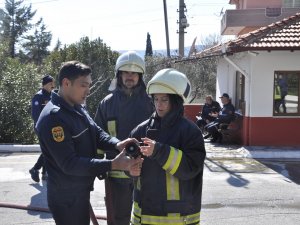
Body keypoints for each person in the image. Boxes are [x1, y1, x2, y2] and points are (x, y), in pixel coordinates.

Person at [35, 61, 143, 225]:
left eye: (89, 85)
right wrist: (112, 164)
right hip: (66, 198)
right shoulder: (54, 118)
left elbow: (96, 132)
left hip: (79, 191)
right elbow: (69, 164)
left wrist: (117, 144)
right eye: (84, 85)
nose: (88, 90)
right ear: (66, 83)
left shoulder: (76, 105)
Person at [129, 68, 206, 225]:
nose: (159, 105)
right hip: (143, 217)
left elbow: (191, 168)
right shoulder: (140, 130)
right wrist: (130, 169)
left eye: (164, 99)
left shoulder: (190, 132)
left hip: (178, 219)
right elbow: (129, 165)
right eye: (156, 99)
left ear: (176, 101)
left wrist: (159, 151)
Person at [94, 51, 154, 225]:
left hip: (146, 171)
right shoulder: (107, 103)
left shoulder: (150, 102)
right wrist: (97, 164)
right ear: (119, 75)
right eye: (126, 72)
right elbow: (98, 135)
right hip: (116, 173)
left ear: (140, 76)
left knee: (147, 216)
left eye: (134, 73)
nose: (130, 76)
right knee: (118, 219)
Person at [29, 74, 55, 182]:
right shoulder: (38, 96)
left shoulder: (52, 95)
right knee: (48, 149)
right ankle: (35, 169)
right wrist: (43, 127)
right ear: (45, 85)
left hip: (51, 127)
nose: (53, 86)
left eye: (53, 84)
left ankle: (44, 173)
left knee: (49, 149)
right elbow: (35, 115)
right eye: (50, 84)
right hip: (41, 128)